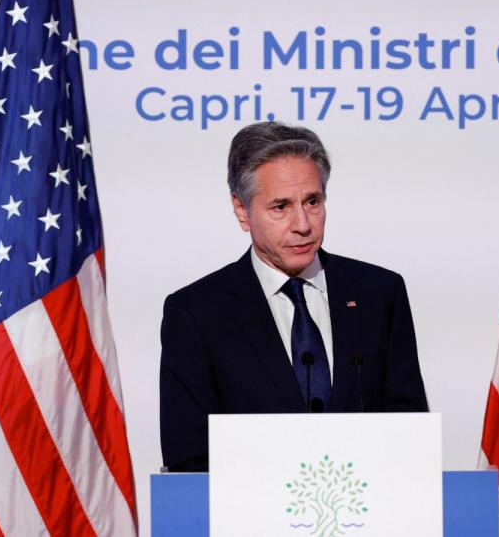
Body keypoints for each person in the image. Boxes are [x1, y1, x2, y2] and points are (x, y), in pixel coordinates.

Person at [160, 122, 429, 472]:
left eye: (312, 201)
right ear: (242, 211)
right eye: (280, 207)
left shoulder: (379, 294)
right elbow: (189, 460)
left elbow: (409, 436)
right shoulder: (196, 313)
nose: (303, 224)